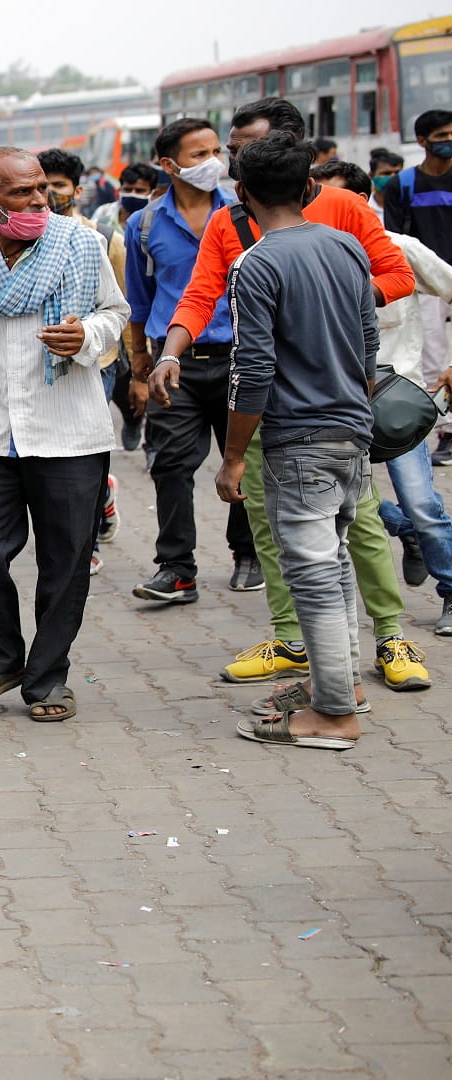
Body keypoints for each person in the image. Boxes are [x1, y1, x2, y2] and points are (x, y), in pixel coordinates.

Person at [159, 97, 427, 692]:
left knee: (356, 527)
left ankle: (387, 639)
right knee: (272, 527)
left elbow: (398, 276)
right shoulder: (229, 223)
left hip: (326, 400)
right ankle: (294, 642)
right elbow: (200, 295)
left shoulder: (345, 211)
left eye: (243, 151)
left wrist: (317, 305)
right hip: (265, 410)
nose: (233, 163)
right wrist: (171, 352)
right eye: (232, 151)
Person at [0, 148, 129, 722]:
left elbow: (115, 311)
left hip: (70, 431)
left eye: (42, 188)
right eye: (22, 192)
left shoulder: (81, 243)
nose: (40, 200)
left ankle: (48, 678)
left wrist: (87, 336)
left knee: (64, 564)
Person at [217, 132, 378, 751]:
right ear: (310, 187)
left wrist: (234, 456)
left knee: (311, 572)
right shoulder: (346, 245)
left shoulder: (255, 264)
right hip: (352, 431)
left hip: (299, 439)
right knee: (332, 563)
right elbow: (368, 343)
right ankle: (342, 686)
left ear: (242, 193)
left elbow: (252, 369)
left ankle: (334, 714)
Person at [124, 118, 262, 603]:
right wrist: (139, 361)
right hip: (173, 363)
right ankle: (177, 569)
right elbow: (139, 301)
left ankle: (248, 553)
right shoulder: (144, 225)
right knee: (170, 464)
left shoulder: (246, 214)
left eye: (216, 152)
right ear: (169, 164)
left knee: (243, 460)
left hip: (241, 357)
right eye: (199, 155)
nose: (214, 163)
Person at [314, 160, 452, 638]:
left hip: (395, 404)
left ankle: (450, 588)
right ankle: (404, 532)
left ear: (361, 202)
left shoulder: (399, 249)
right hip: (332, 403)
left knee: (421, 503)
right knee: (349, 505)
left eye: (333, 197)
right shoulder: (305, 253)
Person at [39, 148, 126, 574]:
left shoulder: (102, 239)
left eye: (58, 185)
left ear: (77, 190)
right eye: (42, 185)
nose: (48, 194)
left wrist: (136, 364)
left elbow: (120, 308)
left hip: (98, 364)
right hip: (44, 366)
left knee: (82, 457)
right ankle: (101, 499)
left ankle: (85, 545)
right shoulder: (24, 239)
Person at [383, 110, 452, 466]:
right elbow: (394, 239)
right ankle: (445, 431)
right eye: (441, 136)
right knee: (432, 359)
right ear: (422, 141)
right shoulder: (404, 184)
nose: (448, 141)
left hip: (446, 279)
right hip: (425, 283)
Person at [94, 162, 165, 452]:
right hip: (110, 311)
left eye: (140, 190)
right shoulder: (103, 220)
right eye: (128, 188)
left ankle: (136, 421)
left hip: (143, 312)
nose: (133, 194)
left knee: (133, 380)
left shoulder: (154, 222)